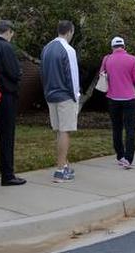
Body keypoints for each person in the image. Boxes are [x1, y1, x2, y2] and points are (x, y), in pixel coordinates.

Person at [0, 19, 25, 186]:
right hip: (6, 96)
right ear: (8, 31)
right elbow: (14, 72)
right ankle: (7, 174)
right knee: (7, 136)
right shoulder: (6, 47)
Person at [40, 20, 80, 182]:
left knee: (58, 130)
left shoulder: (47, 48)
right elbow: (72, 75)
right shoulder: (68, 49)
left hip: (50, 94)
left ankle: (63, 164)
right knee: (65, 131)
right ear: (69, 32)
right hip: (65, 95)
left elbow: (42, 72)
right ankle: (61, 168)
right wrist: (76, 95)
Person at [101, 36, 135, 169]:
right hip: (129, 98)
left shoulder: (107, 59)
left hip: (113, 98)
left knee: (116, 128)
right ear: (124, 46)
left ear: (112, 47)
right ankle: (129, 158)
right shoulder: (132, 59)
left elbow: (102, 74)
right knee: (130, 129)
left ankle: (120, 155)